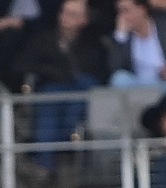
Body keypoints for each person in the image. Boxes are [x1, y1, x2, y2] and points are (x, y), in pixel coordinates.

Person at [17, 0, 107, 164]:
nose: (65, 18)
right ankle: (45, 164)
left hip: (81, 90)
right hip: (53, 86)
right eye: (64, 12)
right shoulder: (43, 39)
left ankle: (65, 141)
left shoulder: (93, 44)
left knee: (85, 89)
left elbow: (99, 71)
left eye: (72, 15)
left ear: (84, 20)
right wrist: (51, 72)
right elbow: (23, 65)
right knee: (49, 104)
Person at [107, 0, 166, 86]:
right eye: (119, 12)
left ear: (142, 10)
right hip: (139, 84)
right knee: (119, 79)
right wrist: (121, 36)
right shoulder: (122, 36)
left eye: (126, 11)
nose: (122, 17)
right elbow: (114, 68)